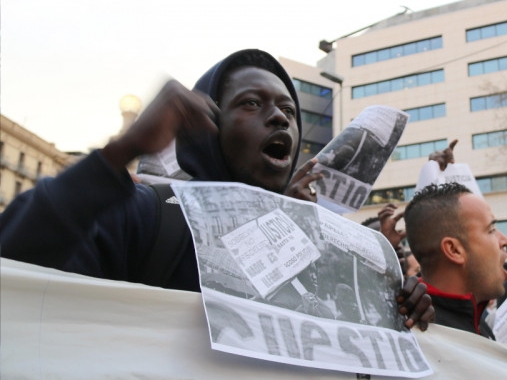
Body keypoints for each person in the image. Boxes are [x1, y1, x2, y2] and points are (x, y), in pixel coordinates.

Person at [0, 49, 433, 330]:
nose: (280, 118)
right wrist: (123, 150)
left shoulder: (320, 250)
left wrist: (398, 303)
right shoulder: (152, 217)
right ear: (207, 126)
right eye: (251, 103)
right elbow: (14, 257)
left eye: (287, 110)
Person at [404, 183, 507, 376]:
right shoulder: (413, 339)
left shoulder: (478, 320)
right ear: (454, 250)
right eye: (491, 229)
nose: (505, 240)